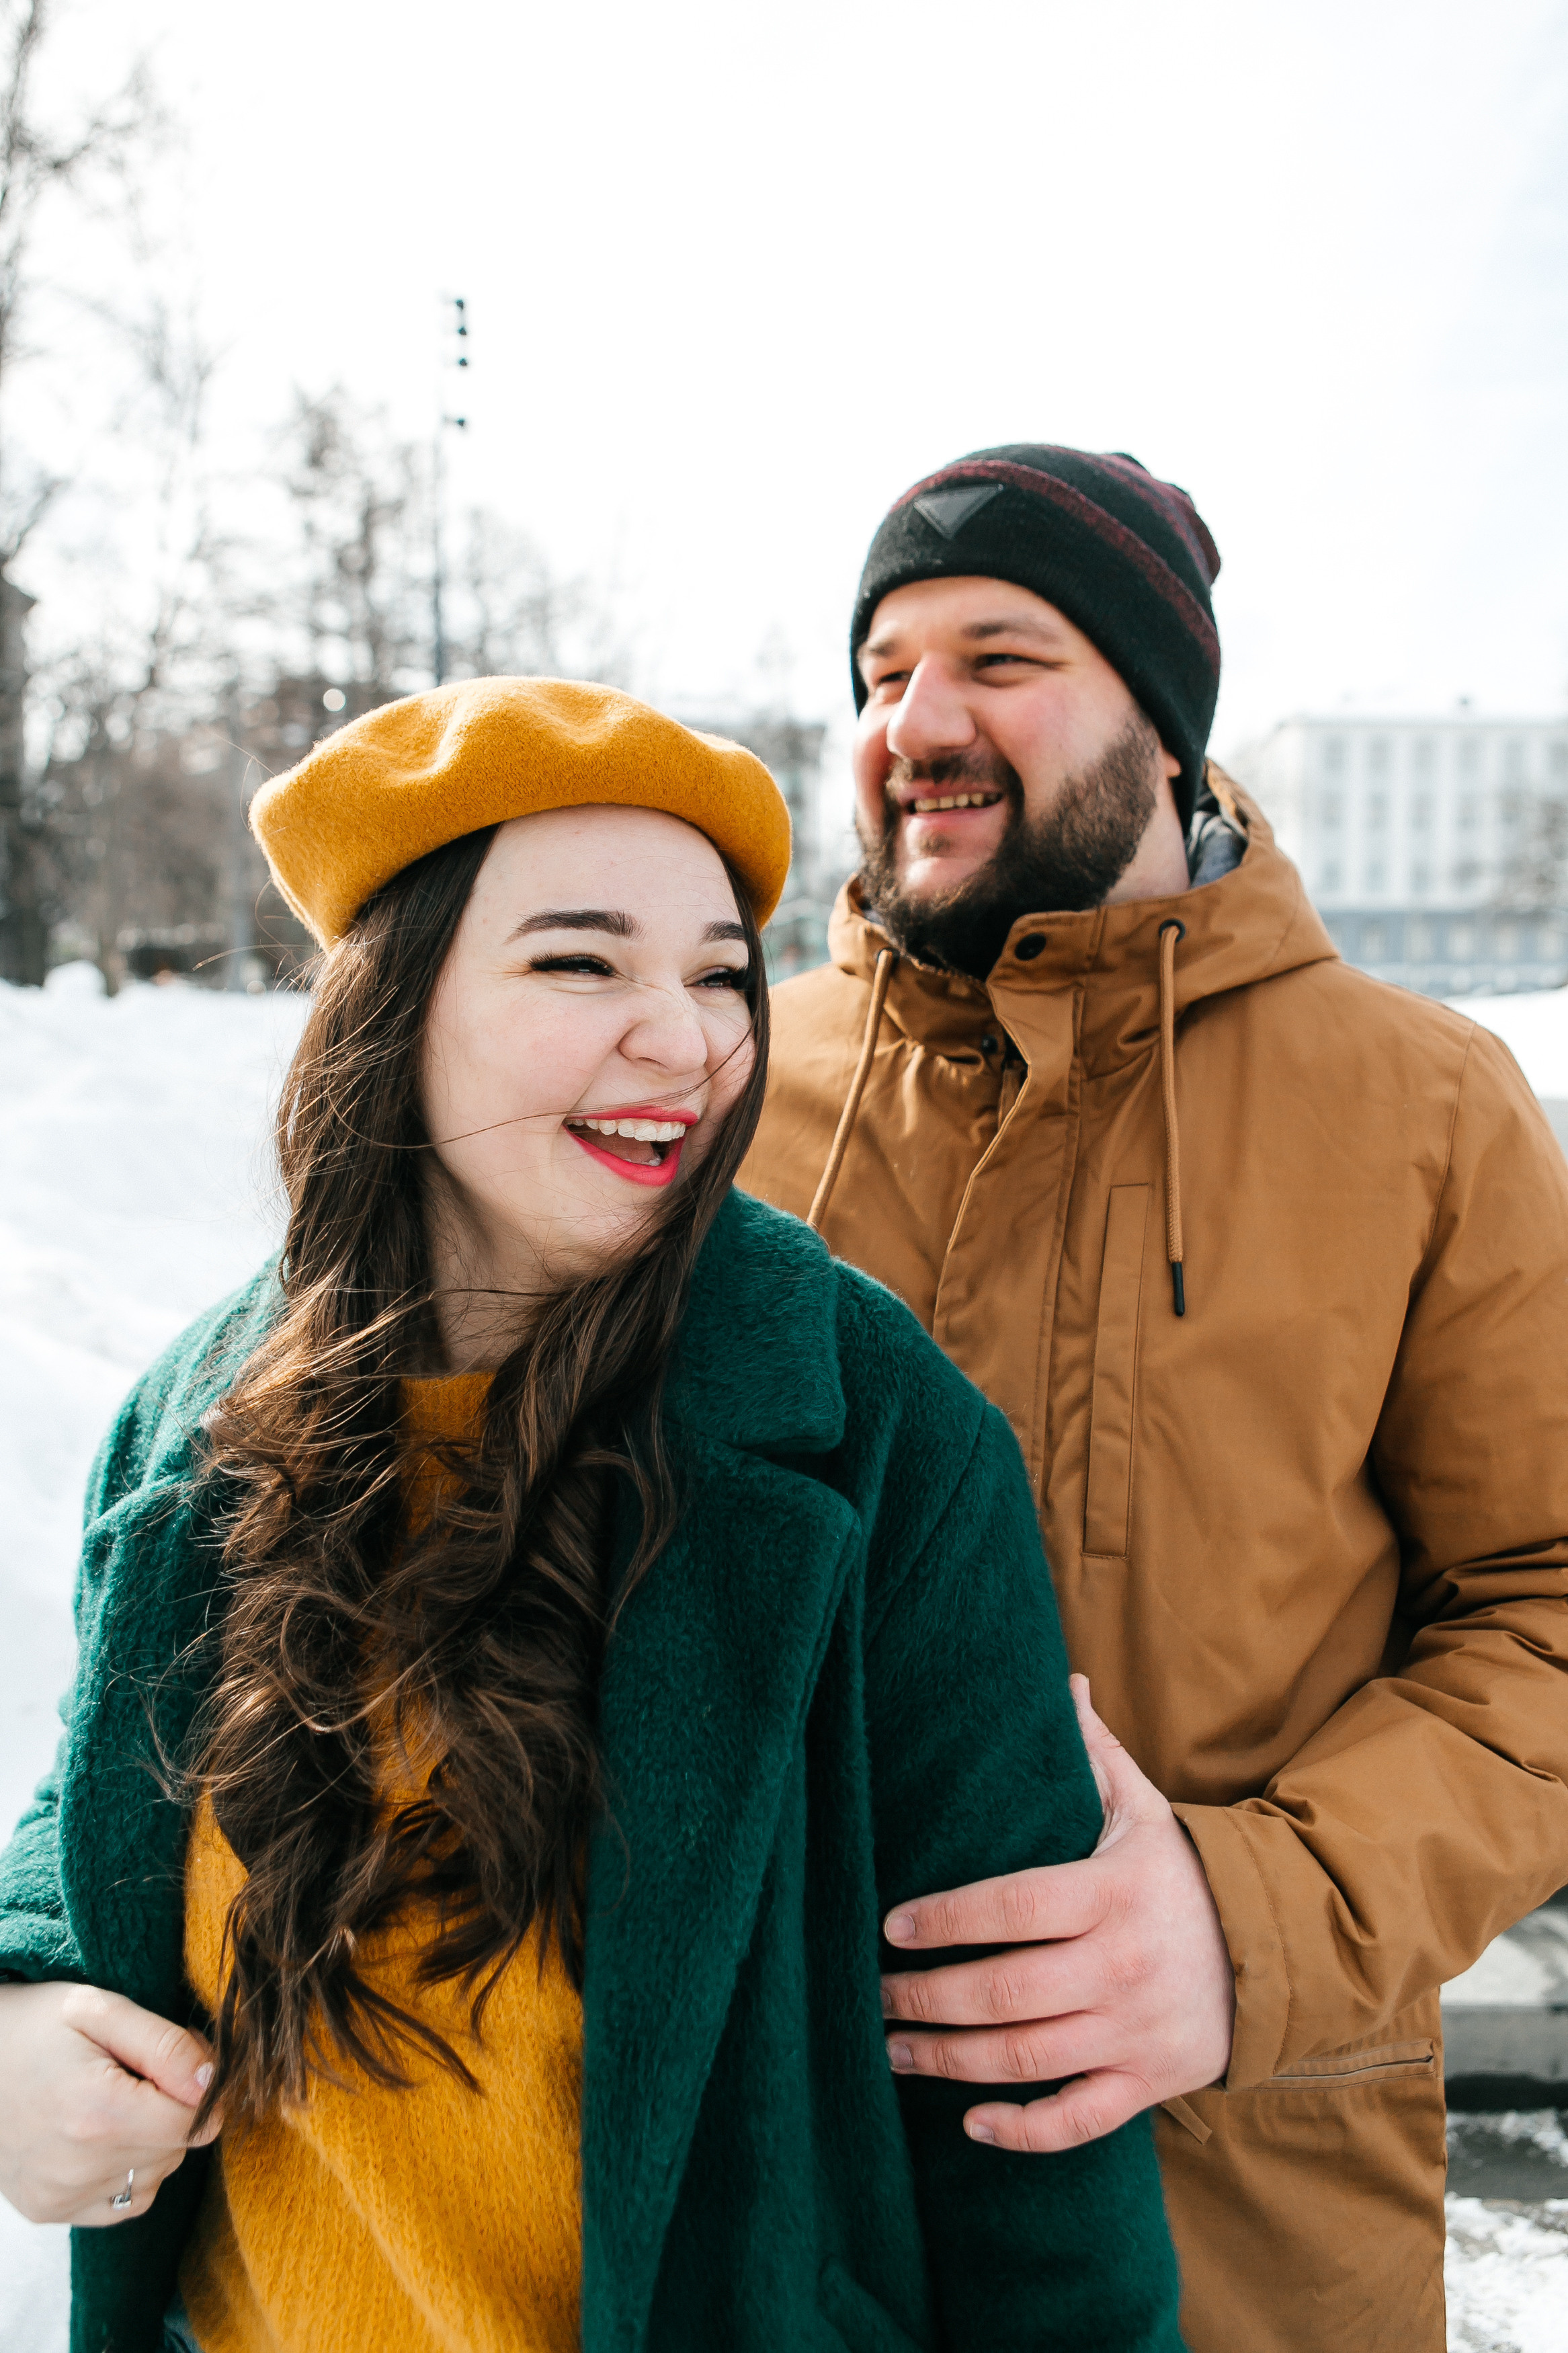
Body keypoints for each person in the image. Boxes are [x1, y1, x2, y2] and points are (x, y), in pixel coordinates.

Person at [0, 677, 1183, 2353]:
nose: (692, 1034)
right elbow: (82, 1827)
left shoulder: (876, 1433)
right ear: (390, 1004)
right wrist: (26, 2011)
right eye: (582, 960)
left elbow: (1035, 2143)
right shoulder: (194, 1416)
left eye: (717, 971)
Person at [741, 444, 1568, 2353]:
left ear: (1161, 723)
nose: (912, 724)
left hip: (1247, 2233)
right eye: (878, 674)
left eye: (996, 655)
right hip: (779, 2223)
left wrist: (1243, 1917)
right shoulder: (716, 1087)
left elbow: (1542, 1609)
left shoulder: (1425, 1109)